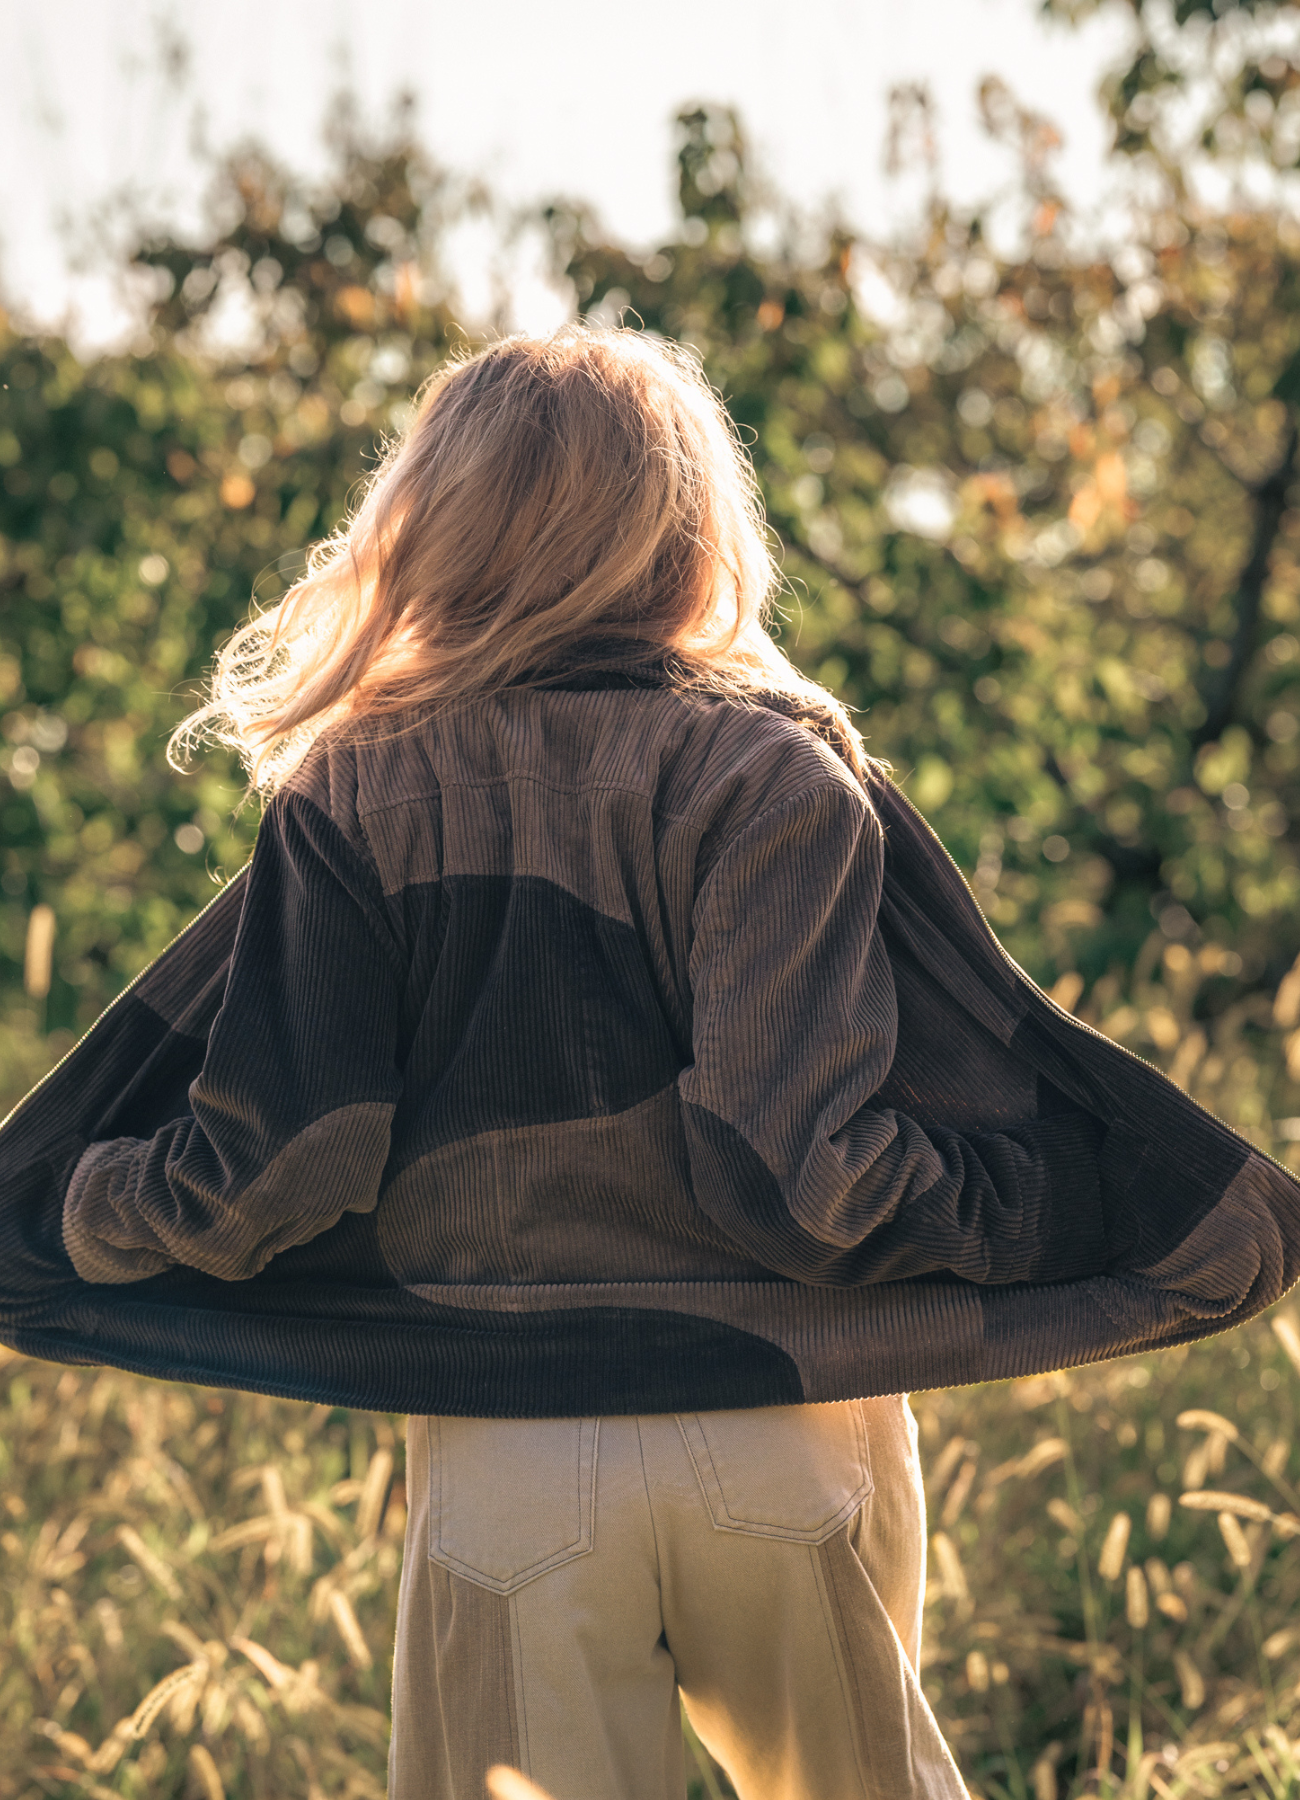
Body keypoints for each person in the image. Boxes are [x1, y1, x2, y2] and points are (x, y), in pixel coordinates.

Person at [3, 324, 1300, 1800]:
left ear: (433, 524)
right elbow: (797, 1175)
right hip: (784, 1428)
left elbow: (279, 1168)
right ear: (688, 531)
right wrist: (1064, 1205)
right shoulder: (776, 773)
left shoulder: (350, 791)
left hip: (508, 1458)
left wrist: (73, 1203)